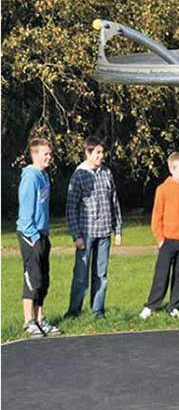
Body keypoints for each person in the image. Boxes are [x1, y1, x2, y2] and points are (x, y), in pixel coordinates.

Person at [65, 136, 122, 319]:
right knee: (81, 276)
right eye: (97, 152)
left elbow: (114, 202)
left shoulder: (106, 173)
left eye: (102, 152)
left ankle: (97, 310)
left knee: (101, 275)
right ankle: (74, 311)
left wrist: (118, 229)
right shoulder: (79, 174)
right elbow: (71, 208)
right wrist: (76, 235)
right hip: (86, 233)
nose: (101, 156)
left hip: (104, 232)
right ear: (88, 153)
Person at [139, 152, 179, 320]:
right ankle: (150, 306)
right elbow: (157, 216)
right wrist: (160, 239)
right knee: (161, 275)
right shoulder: (163, 189)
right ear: (172, 170)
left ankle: (174, 306)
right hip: (168, 241)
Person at [16, 138, 61, 337]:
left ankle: (40, 318)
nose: (49, 157)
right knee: (33, 277)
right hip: (30, 235)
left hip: (42, 234)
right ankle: (29, 321)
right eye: (46, 154)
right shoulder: (30, 178)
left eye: (50, 154)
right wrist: (34, 236)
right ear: (35, 155)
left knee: (43, 280)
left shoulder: (44, 176)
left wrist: (44, 233)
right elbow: (25, 212)